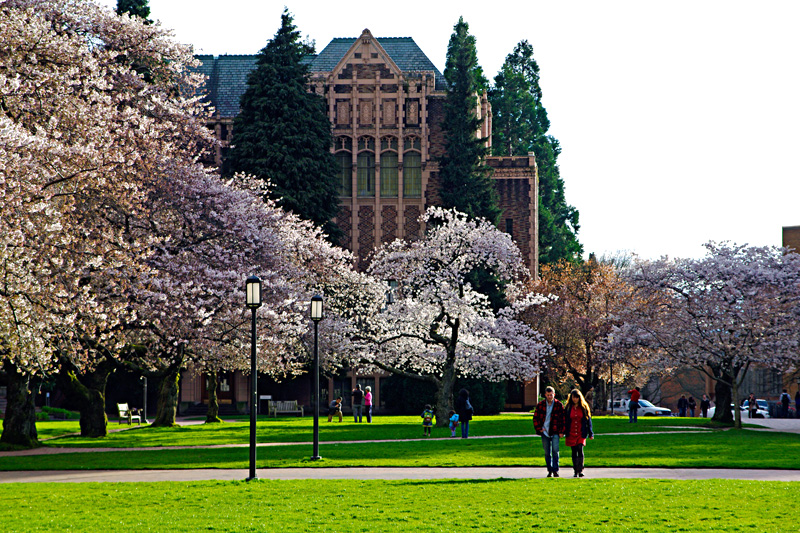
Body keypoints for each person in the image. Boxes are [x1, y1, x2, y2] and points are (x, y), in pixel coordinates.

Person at [533, 386, 565, 477]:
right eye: (548, 395)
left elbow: (563, 419)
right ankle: (549, 470)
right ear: (545, 395)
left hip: (555, 430)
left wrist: (562, 431)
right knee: (547, 452)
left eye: (551, 395)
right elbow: (536, 418)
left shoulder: (558, 405)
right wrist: (539, 428)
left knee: (555, 450)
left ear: (554, 394)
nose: (550, 397)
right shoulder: (541, 405)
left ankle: (555, 470)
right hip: (545, 431)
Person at [563, 389, 593, 478]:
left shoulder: (584, 408)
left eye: (577, 397)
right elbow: (565, 420)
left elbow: (588, 421)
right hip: (571, 432)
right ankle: (575, 470)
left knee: (580, 449)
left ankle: (580, 470)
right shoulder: (568, 408)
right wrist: (563, 431)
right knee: (574, 451)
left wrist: (590, 433)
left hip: (580, 432)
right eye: (573, 398)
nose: (575, 399)